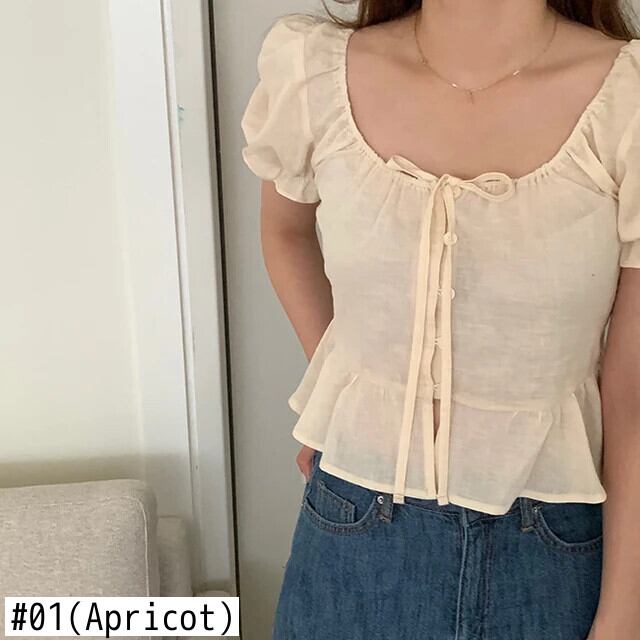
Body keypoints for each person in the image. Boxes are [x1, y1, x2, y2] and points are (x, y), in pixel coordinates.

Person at [240, 1, 640, 638]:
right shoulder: (314, 70)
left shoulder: (627, 100)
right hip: (351, 528)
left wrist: (624, 616)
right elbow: (284, 232)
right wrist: (353, 390)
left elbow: (632, 392)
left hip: (553, 546)